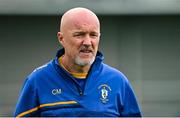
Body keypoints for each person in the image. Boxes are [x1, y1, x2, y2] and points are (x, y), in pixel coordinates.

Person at [14, 7, 142, 117]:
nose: (87, 42)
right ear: (61, 38)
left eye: (93, 35)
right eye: (79, 35)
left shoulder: (118, 81)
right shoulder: (37, 81)